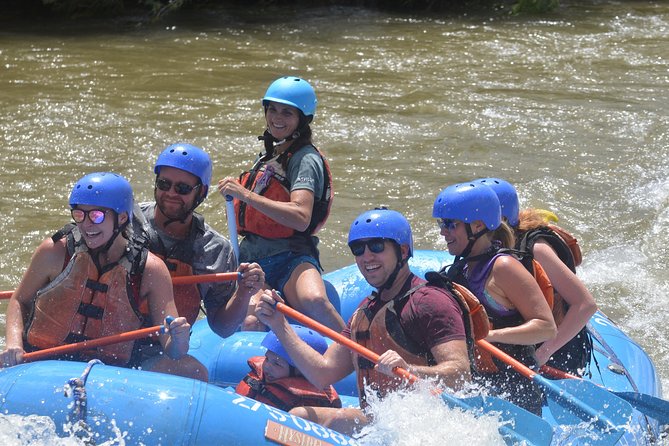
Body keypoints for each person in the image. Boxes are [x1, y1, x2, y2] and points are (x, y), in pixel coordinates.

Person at [254, 208, 471, 435]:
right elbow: (322, 374)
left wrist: (410, 370)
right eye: (359, 249)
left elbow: (460, 373)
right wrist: (280, 325)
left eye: (377, 246)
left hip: (425, 425)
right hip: (380, 420)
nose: (367, 257)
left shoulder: (430, 302)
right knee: (298, 417)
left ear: (403, 251)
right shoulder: (365, 311)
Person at [0, 172, 202, 380]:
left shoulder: (151, 269)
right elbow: (19, 300)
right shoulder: (55, 251)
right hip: (42, 362)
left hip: (108, 373)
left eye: (96, 216)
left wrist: (179, 339)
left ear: (122, 218)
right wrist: (14, 344)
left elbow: (173, 350)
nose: (86, 225)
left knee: (192, 370)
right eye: (79, 215)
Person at [217, 76, 344, 333]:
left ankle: (357, 362)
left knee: (316, 301)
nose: (277, 117)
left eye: (287, 112)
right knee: (252, 320)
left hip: (292, 257)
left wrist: (245, 195)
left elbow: (300, 216)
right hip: (254, 261)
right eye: (272, 109)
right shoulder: (270, 154)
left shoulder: (305, 159)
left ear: (301, 119)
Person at [432, 182, 557, 414]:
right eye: (441, 224)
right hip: (479, 381)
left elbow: (546, 327)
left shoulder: (504, 267)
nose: (442, 231)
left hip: (515, 387)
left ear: (478, 226)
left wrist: (490, 336)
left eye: (450, 224)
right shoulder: (461, 267)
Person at [134, 143, 265, 339]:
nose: (171, 193)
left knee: (196, 371)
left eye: (183, 188)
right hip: (112, 341)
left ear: (201, 193)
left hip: (161, 348)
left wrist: (243, 294)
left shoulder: (215, 250)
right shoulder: (127, 223)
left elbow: (222, 328)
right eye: (164, 184)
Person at [476, 177, 596, 374]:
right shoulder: (481, 250)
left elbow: (585, 305)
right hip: (521, 341)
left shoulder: (537, 249)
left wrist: (543, 353)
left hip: (555, 348)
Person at [235, 326, 342, 412]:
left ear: (302, 372)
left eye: (277, 364)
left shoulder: (308, 405)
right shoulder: (261, 376)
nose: (267, 366)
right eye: (267, 359)